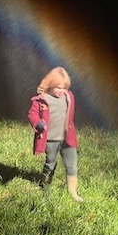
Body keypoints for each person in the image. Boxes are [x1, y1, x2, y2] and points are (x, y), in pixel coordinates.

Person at [27, 66, 83, 202]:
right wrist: (38, 123)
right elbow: (32, 114)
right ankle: (45, 188)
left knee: (72, 164)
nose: (61, 91)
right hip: (51, 139)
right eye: (58, 87)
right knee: (50, 163)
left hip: (67, 138)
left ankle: (73, 192)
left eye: (64, 88)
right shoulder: (41, 100)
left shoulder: (68, 97)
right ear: (50, 84)